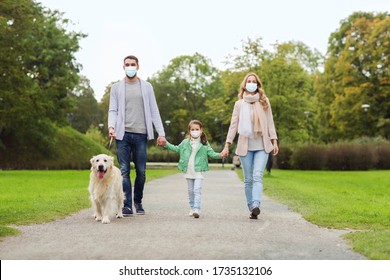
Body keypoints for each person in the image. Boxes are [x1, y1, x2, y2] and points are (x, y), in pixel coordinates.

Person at [108, 55, 166, 216]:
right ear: (123, 67)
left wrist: (161, 133)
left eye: (132, 64)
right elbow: (113, 110)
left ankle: (138, 201)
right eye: (127, 64)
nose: (130, 67)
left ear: (138, 66)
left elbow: (154, 110)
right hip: (122, 134)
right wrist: (111, 126)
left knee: (141, 171)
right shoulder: (116, 88)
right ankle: (127, 205)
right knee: (124, 171)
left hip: (141, 134)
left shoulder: (147, 87)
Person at [221, 72, 279, 220]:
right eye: (249, 81)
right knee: (248, 179)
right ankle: (251, 207)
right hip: (245, 146)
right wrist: (227, 144)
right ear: (245, 85)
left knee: (257, 175)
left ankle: (256, 204)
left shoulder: (264, 102)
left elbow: (270, 122)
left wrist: (274, 140)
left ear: (258, 85)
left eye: (254, 81)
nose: (251, 83)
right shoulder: (239, 104)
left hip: (262, 146)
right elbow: (233, 125)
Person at [162, 120, 223, 218]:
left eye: (197, 129)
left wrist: (221, 155)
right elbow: (176, 148)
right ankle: (192, 207)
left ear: (201, 130)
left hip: (199, 170)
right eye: (192, 129)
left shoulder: (204, 143)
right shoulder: (185, 143)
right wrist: (166, 143)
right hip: (188, 170)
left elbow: (212, 153)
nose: (195, 131)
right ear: (189, 131)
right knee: (190, 190)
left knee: (197, 190)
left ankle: (196, 209)